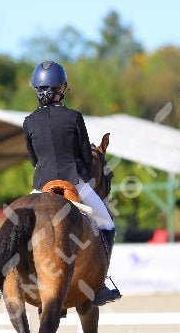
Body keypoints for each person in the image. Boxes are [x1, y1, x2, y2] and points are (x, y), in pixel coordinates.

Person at [23, 60, 120, 306]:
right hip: (74, 183)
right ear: (61, 88)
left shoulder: (29, 122)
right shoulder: (73, 117)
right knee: (107, 225)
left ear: (36, 88)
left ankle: (16, 278)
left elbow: (34, 159)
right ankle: (99, 284)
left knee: (20, 229)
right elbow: (86, 157)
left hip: (40, 186)